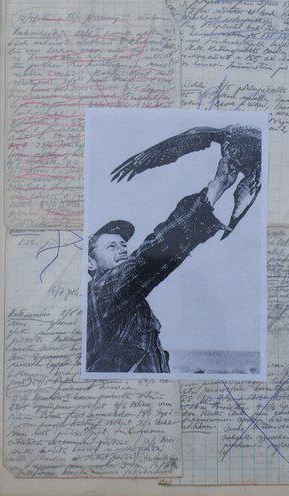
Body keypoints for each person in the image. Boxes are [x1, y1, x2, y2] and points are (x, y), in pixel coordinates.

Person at [86, 155, 238, 373]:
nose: (122, 249)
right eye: (111, 246)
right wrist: (216, 186)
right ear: (90, 262)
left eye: (123, 245)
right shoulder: (101, 289)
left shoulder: (129, 300)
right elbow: (150, 255)